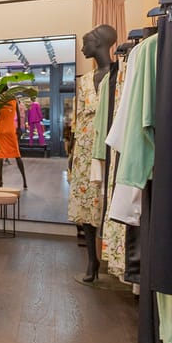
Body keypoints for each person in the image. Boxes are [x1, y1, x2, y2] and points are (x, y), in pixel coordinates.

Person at [68, 24, 116, 282]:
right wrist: (73, 151)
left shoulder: (120, 75)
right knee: (86, 204)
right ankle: (91, 260)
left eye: (85, 43)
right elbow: (77, 117)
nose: (82, 48)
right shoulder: (85, 80)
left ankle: (115, 259)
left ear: (98, 43)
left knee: (109, 200)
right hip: (85, 148)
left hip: (111, 145)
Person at [0, 97, 28, 188]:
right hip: (10, 130)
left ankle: (1, 181)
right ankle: (24, 181)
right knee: (17, 154)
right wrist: (19, 128)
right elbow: (18, 115)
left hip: (0, 130)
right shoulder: (14, 100)